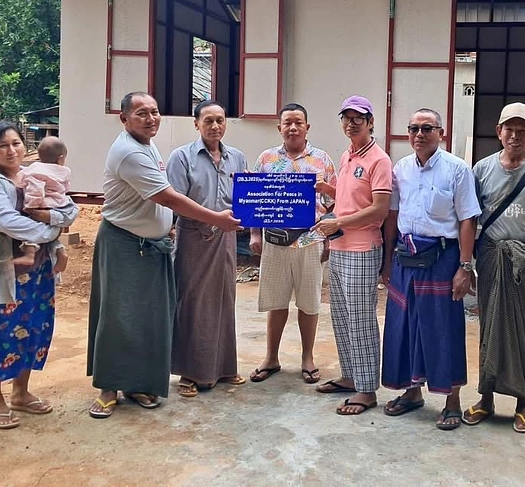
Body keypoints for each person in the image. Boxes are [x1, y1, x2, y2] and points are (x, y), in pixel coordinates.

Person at [87, 92, 241, 419]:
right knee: (117, 318)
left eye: (155, 112)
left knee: (147, 320)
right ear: (124, 118)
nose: (151, 118)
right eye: (142, 113)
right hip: (124, 244)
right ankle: (108, 388)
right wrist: (215, 218)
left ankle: (138, 383)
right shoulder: (129, 152)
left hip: (151, 247)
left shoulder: (147, 144)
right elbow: (169, 197)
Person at [461, 103, 525, 433]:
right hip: (491, 256)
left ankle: (523, 402)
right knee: (489, 326)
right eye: (509, 128)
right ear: (499, 131)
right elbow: (470, 219)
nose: (515, 135)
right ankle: (486, 398)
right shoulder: (481, 170)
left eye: (522, 129)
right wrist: (468, 264)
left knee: (523, 330)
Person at [0, 122, 79, 429]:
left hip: (38, 272)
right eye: (2, 146)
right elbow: (8, 223)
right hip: (2, 272)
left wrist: (53, 227)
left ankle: (20, 393)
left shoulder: (35, 175)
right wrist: (53, 229)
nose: (11, 150)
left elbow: (69, 209)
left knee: (33, 328)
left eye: (16, 143)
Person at [380, 108, 481, 430]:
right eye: (413, 128)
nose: (419, 134)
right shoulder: (402, 168)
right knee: (404, 326)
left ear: (441, 133)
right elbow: (392, 218)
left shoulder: (457, 170)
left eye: (427, 128)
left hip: (442, 259)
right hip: (405, 259)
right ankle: (412, 392)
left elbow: (468, 220)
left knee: (443, 329)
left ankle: (452, 401)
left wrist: (464, 267)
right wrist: (387, 261)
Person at [313, 95, 391, 415]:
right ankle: (350, 376)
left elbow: (379, 208)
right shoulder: (347, 156)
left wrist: (339, 222)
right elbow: (350, 197)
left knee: (360, 318)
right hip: (341, 245)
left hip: (362, 247)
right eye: (346, 117)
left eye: (358, 118)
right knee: (342, 317)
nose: (351, 123)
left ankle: (367, 389)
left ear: (371, 122)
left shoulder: (379, 160)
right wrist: (327, 190)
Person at [248, 103, 337, 384]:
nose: (293, 127)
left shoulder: (322, 160)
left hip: (310, 240)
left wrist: (330, 239)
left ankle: (307, 357)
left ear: (307, 127)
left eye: (298, 122)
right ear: (280, 128)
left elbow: (335, 202)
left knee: (309, 303)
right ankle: (271, 357)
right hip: (275, 240)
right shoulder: (266, 159)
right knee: (277, 302)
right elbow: (255, 201)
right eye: (287, 123)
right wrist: (254, 234)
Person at [166, 99, 248, 397]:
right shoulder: (182, 157)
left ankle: (224, 367)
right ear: (196, 123)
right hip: (193, 238)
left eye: (220, 120)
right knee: (192, 302)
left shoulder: (236, 157)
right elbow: (175, 201)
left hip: (226, 240)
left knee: (225, 300)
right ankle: (190, 372)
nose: (215, 126)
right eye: (209, 120)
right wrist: (211, 220)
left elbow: (245, 198)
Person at [14, 136, 72, 274]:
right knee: (50, 226)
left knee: (33, 228)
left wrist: (32, 205)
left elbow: (35, 189)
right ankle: (58, 250)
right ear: (60, 158)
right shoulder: (63, 171)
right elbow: (65, 190)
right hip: (59, 204)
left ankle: (30, 253)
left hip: (41, 204)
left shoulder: (34, 170)